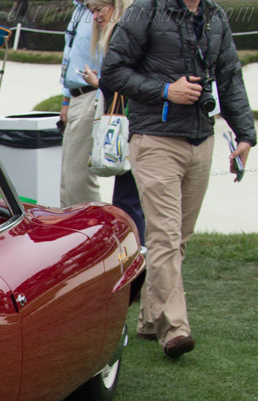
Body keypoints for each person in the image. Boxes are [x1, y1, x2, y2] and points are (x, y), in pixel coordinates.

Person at [101, 0, 255, 358]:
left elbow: (230, 76)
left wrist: (245, 135)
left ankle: (150, 320)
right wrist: (166, 90)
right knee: (166, 236)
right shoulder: (146, 10)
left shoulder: (216, 16)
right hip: (154, 140)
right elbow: (113, 69)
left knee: (178, 238)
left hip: (202, 140)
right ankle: (175, 329)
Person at [79, 0, 144, 243]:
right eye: (92, 11)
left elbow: (123, 80)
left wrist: (99, 83)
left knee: (127, 201)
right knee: (132, 198)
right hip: (137, 124)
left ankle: (136, 251)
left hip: (133, 125)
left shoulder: (122, 33)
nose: (95, 16)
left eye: (100, 9)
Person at [57, 0, 100, 207]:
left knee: (78, 179)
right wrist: (66, 100)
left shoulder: (102, 9)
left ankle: (92, 229)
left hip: (93, 96)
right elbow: (70, 55)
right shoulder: (79, 9)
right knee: (67, 176)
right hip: (75, 97)